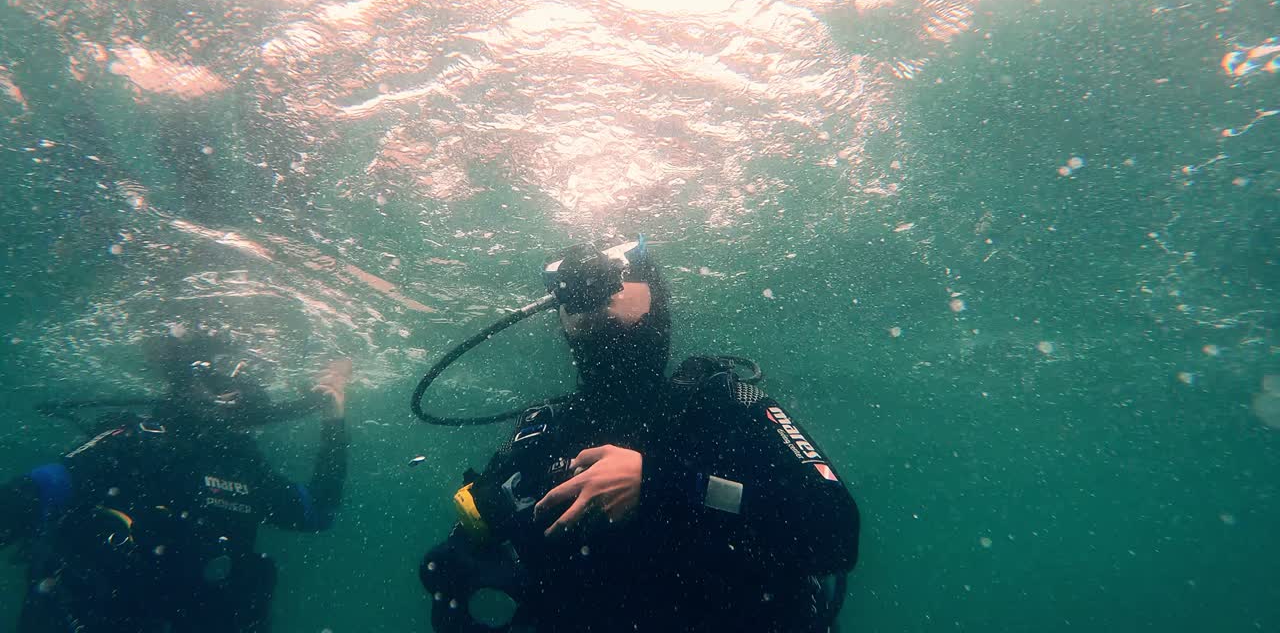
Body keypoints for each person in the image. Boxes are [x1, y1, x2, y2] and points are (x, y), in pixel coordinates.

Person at [419, 240, 860, 633]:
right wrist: (456, 568)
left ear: (658, 307)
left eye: (615, 296)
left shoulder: (726, 403)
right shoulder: (543, 430)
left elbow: (835, 531)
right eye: (581, 311)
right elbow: (470, 542)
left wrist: (664, 484)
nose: (599, 317)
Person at [0, 332, 352, 633]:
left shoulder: (244, 466)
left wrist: (334, 420)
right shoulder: (132, 443)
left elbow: (317, 512)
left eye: (239, 382)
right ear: (186, 382)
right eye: (221, 380)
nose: (233, 393)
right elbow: (33, 494)